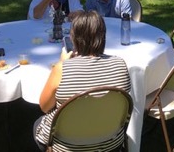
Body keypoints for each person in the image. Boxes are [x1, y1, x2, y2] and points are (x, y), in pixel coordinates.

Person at [34, 11, 131, 151]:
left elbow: (45, 107)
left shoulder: (62, 69)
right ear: (103, 36)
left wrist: (62, 63)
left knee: (37, 124)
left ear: (74, 38)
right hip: (110, 143)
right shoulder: (120, 64)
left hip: (68, 146)